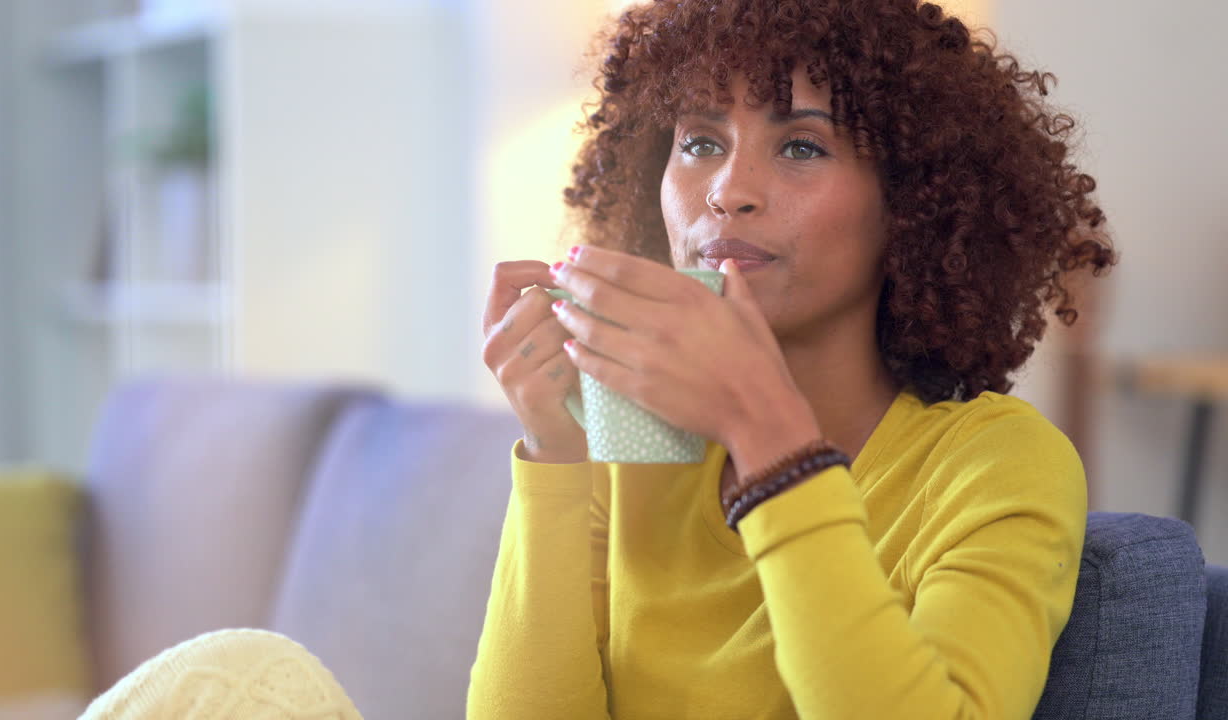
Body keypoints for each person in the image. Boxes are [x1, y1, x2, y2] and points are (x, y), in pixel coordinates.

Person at [470, 0, 1115, 718]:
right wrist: (555, 451)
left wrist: (767, 435)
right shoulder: (631, 438)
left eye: (802, 147)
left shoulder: (993, 463)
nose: (727, 192)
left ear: (913, 206)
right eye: (700, 143)